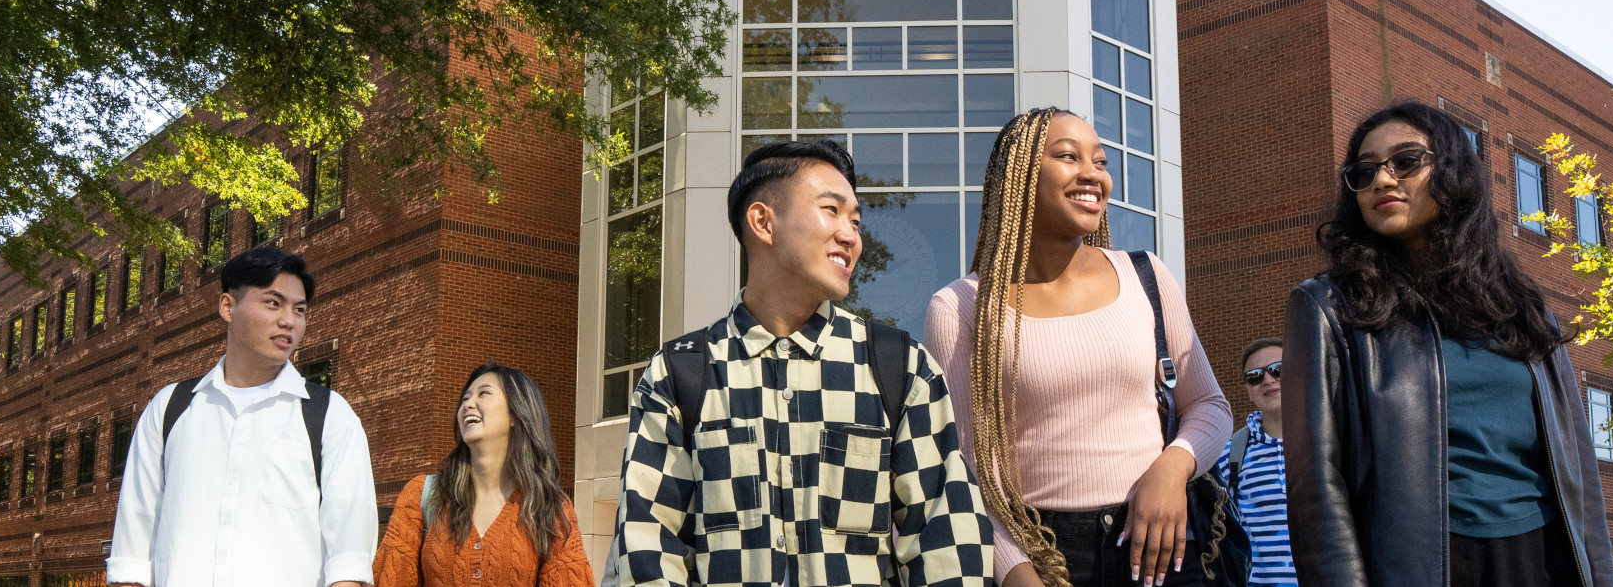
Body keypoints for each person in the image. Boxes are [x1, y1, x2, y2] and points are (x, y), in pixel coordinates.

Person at [605, 140, 994, 587]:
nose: (851, 236)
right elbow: (646, 548)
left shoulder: (899, 367)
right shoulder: (678, 376)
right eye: (831, 210)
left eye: (855, 221)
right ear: (763, 222)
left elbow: (949, 545)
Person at [1284, 102, 1613, 586]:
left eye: (1405, 161)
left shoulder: (1522, 308)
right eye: (1365, 171)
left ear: (1453, 171)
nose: (1382, 180)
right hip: (1420, 564)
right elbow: (1316, 483)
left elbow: (1580, 469)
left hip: (1544, 556)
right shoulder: (1329, 307)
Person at [923, 107, 1232, 587]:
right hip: (1045, 554)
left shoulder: (1146, 275)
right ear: (1020, 175)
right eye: (1069, 156)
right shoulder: (961, 307)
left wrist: (1173, 467)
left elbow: (1210, 405)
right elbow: (966, 468)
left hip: (1162, 544)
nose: (1093, 174)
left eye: (1101, 162)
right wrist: (1016, 573)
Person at [108, 246, 378, 587]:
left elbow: (349, 559)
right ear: (227, 306)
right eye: (273, 303)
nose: (289, 321)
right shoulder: (169, 409)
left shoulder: (328, 415)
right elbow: (132, 550)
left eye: (299, 310)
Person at [374, 362, 592, 587]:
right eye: (465, 398)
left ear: (516, 414)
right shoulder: (423, 495)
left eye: (483, 393)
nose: (467, 404)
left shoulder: (549, 506)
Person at [1210, 339, 1296, 586]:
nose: (1267, 380)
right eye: (1255, 376)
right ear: (1248, 389)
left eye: (1278, 369)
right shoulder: (1228, 455)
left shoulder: (1331, 442)